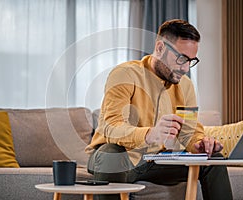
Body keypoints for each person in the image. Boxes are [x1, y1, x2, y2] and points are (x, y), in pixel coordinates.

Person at [85, 19, 233, 200]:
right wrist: (150, 134)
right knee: (111, 155)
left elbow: (189, 132)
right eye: (181, 58)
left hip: (157, 160)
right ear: (160, 48)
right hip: (120, 157)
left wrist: (200, 143)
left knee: (214, 160)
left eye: (191, 61)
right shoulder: (125, 74)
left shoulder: (185, 85)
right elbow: (111, 127)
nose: (186, 68)